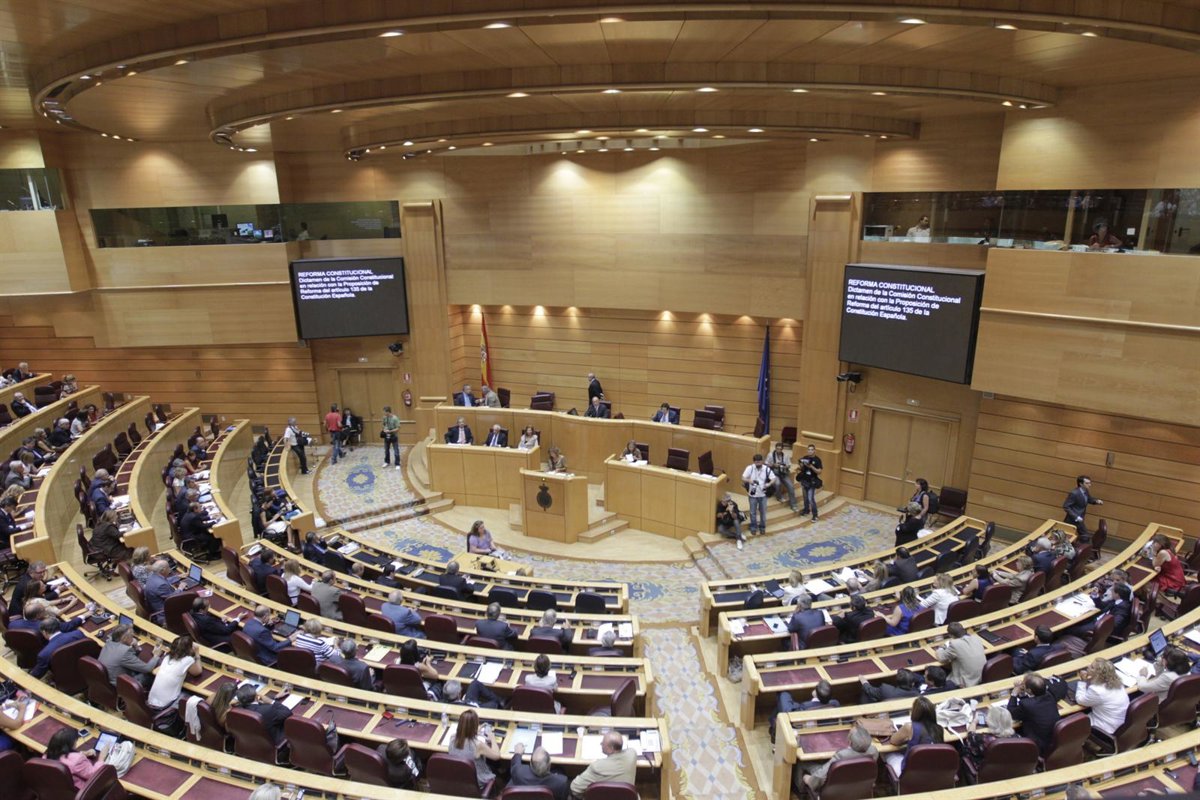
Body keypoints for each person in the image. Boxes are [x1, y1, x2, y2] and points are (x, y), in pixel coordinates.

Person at [801, 722, 877, 793]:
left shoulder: (842, 756)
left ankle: (801, 793)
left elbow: (819, 777)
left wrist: (808, 779)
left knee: (802, 763)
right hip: (860, 791)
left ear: (850, 742)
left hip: (834, 792)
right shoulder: (874, 752)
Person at [1008, 672, 1070, 755]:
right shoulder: (1050, 696)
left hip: (1038, 745)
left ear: (1029, 690)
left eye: (1024, 684)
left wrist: (1014, 693)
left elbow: (1011, 712)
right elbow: (1031, 699)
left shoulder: (1027, 705)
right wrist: (1023, 691)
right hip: (1053, 740)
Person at [884, 696, 944, 777]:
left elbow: (893, 741)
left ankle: (885, 782)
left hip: (910, 774)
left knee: (888, 754)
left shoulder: (909, 727)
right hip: (933, 771)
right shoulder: (939, 729)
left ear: (915, 712)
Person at [570, 730, 636, 798]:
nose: (601, 744)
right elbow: (628, 750)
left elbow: (575, 788)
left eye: (603, 743)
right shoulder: (632, 754)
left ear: (611, 748)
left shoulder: (597, 766)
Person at [1074, 658, 1130, 736]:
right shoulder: (1117, 682)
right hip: (1122, 724)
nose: (1088, 666)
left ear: (1098, 675)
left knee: (1073, 723)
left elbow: (1080, 700)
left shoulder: (1096, 690)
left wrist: (1083, 681)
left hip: (1106, 727)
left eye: (1092, 667)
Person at [45, 728, 113, 791]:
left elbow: (65, 758)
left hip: (59, 790)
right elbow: (94, 775)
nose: (76, 743)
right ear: (69, 745)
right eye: (75, 742)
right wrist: (101, 758)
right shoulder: (78, 759)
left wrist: (84, 753)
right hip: (84, 791)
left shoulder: (46, 756)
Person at [448, 709, 500, 792]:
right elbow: (497, 756)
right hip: (477, 783)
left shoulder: (452, 738)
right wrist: (493, 739)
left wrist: (474, 732)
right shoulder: (478, 745)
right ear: (474, 726)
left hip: (459, 780)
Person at [147, 635, 202, 710]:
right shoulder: (188, 660)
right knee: (192, 696)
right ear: (190, 649)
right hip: (164, 707)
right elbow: (197, 672)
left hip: (150, 702)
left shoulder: (167, 657)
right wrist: (197, 653)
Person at [99, 624, 162, 688]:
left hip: (107, 681)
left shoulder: (109, 642)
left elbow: (128, 660)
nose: (133, 638)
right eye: (132, 636)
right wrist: (156, 655)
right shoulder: (124, 651)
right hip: (119, 685)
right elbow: (147, 669)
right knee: (152, 676)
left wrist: (136, 647)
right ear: (124, 638)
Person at [961, 705, 1017, 774]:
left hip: (987, 773)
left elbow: (970, 735)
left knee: (960, 746)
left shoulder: (983, 740)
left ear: (990, 722)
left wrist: (974, 722)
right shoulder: (1018, 738)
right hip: (1011, 771)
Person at [936, 622, 987, 687]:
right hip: (981, 677)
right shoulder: (976, 638)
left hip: (966, 682)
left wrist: (941, 648)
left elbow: (941, 658)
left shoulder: (954, 644)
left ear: (951, 635)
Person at [742, 453, 777, 538]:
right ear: (754, 462)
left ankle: (762, 527)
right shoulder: (750, 468)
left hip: (763, 494)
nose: (758, 464)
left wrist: (769, 484)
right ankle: (753, 527)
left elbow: (774, 478)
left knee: (763, 512)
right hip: (752, 494)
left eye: (759, 462)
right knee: (752, 512)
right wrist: (749, 481)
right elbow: (743, 478)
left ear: (762, 461)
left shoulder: (766, 469)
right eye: (756, 462)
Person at [1062, 475, 1102, 540]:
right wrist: (1076, 517)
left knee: (1081, 536)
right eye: (1087, 483)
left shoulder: (1086, 491)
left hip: (1080, 518)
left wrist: (1096, 501)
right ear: (1081, 484)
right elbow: (1066, 506)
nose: (1090, 485)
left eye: (1090, 483)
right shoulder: (1074, 493)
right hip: (1072, 519)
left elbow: (1089, 499)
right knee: (1084, 535)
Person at [766, 442, 798, 514]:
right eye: (777, 449)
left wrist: (785, 466)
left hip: (784, 473)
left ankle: (793, 505)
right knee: (777, 483)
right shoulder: (770, 455)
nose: (779, 450)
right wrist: (773, 465)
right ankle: (779, 497)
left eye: (780, 449)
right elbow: (766, 464)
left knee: (791, 487)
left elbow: (789, 465)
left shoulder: (785, 456)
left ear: (782, 449)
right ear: (775, 448)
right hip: (774, 473)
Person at [796, 444, 823, 520]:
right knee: (805, 497)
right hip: (804, 480)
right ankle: (806, 510)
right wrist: (801, 465)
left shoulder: (817, 460)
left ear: (814, 451)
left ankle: (815, 515)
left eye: (811, 450)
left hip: (812, 481)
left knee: (811, 498)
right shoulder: (805, 458)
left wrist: (811, 466)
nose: (810, 451)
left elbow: (819, 471)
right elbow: (802, 468)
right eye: (809, 449)